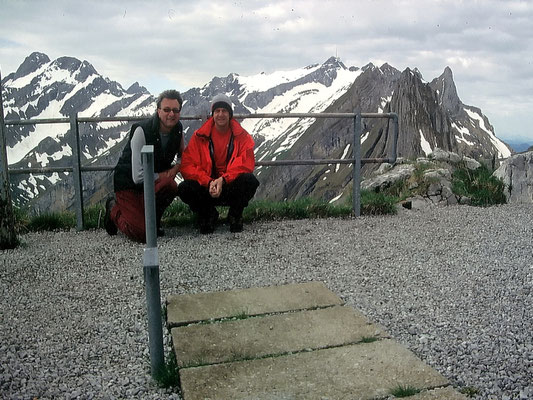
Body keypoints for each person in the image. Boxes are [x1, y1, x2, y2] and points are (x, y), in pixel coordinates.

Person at [104, 90, 184, 242]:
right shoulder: (142, 130)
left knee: (171, 186)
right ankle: (114, 209)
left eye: (175, 110)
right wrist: (163, 175)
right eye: (166, 109)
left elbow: (182, 155)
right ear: (158, 110)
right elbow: (137, 176)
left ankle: (153, 222)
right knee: (142, 234)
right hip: (128, 184)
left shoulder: (178, 129)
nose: (171, 114)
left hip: (151, 183)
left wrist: (175, 169)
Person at [178, 94, 259, 233]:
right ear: (212, 114)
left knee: (250, 180)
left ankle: (235, 214)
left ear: (230, 114)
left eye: (224, 111)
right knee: (184, 188)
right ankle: (208, 214)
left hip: (229, 185)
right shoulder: (199, 136)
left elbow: (246, 164)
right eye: (217, 111)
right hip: (207, 187)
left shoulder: (242, 136)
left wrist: (223, 180)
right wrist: (209, 182)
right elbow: (187, 165)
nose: (220, 114)